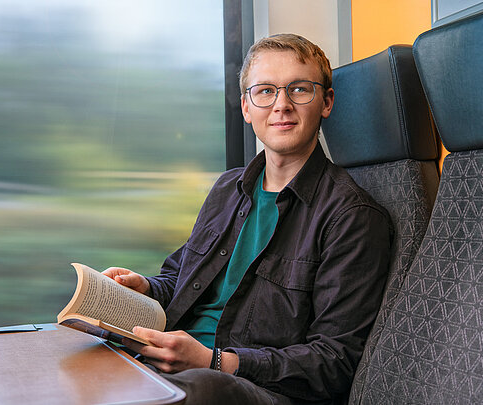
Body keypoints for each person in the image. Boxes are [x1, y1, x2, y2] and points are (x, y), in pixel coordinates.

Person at [102, 33, 392, 404]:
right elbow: (180, 279)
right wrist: (144, 287)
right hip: (170, 362)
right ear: (246, 107)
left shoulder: (352, 218)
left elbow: (334, 361)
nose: (282, 105)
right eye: (266, 91)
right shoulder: (228, 188)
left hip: (257, 389)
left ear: (326, 102)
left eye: (299, 89)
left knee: (204, 388)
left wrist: (214, 361)